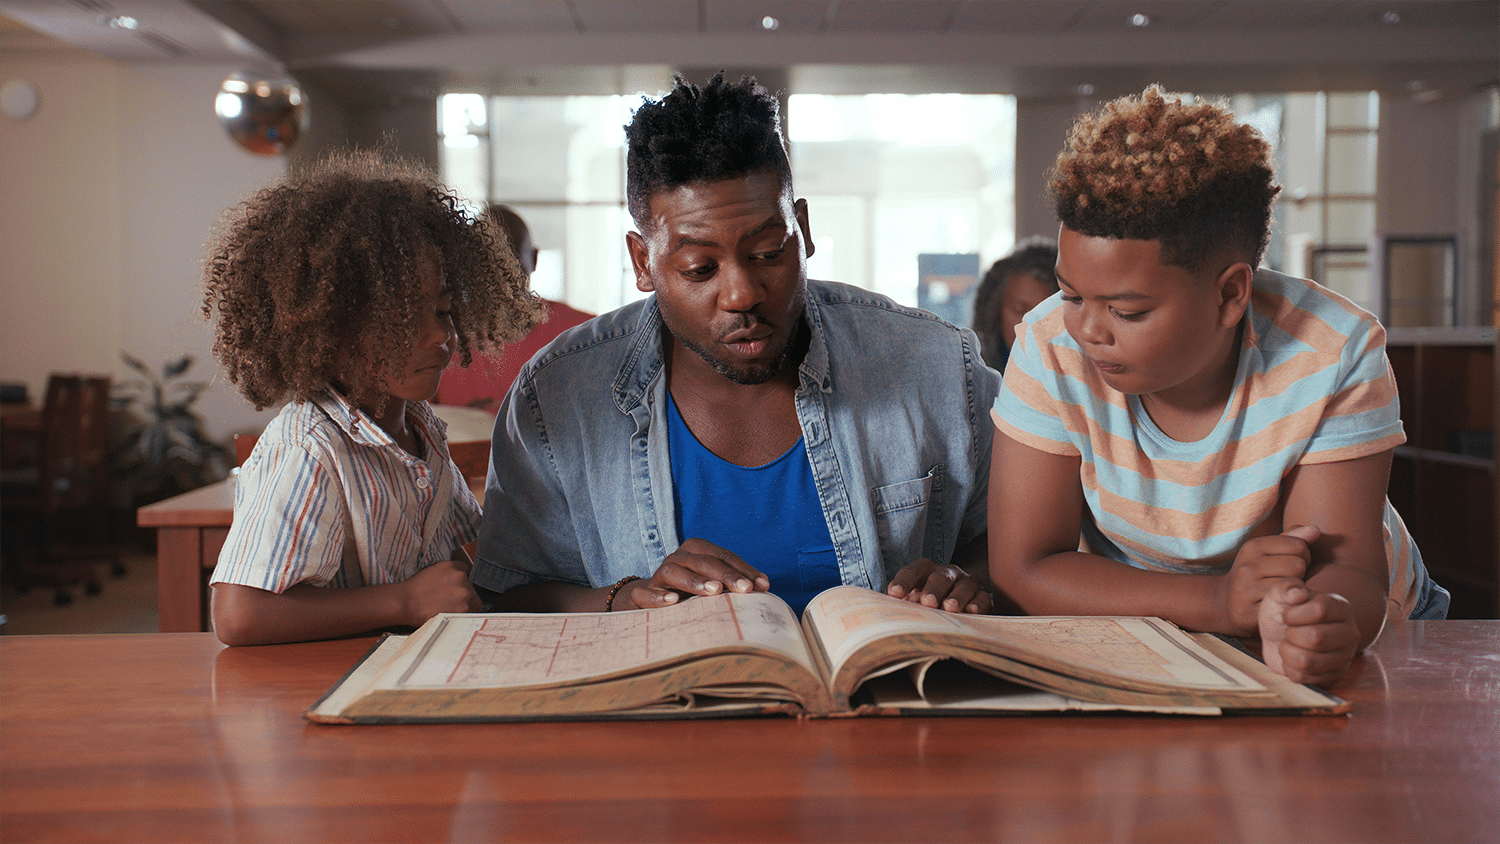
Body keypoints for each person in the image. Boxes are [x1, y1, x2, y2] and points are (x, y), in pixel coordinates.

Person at [473, 72, 1001, 616]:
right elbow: (505, 592)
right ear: (643, 263)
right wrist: (620, 600)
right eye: (700, 268)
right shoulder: (556, 396)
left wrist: (962, 578)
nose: (742, 294)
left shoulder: (937, 364)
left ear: (803, 229)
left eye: (769, 252)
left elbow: (1018, 549)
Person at [989, 86, 1447, 686]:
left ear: (1231, 294)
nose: (1087, 331)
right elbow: (1024, 566)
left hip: (1374, 629)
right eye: (1072, 295)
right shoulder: (1049, 344)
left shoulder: (1334, 351)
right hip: (1148, 627)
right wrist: (1217, 602)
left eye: (1127, 312)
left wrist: (1319, 622)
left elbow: (1350, 573)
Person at [203, 150, 545, 646]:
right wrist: (404, 601)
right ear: (327, 328)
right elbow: (240, 615)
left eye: (444, 309)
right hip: (319, 690)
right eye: (404, 318)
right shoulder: (310, 448)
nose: (438, 336)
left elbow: (457, 566)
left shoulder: (420, 427)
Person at [435, 204, 594, 412]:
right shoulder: (440, 340)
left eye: (510, 266)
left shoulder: (584, 333)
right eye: (485, 265)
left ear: (534, 260)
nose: (498, 280)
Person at [972, 237, 1059, 372]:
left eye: (1044, 312)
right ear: (995, 313)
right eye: (1019, 310)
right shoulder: (972, 375)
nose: (1031, 324)